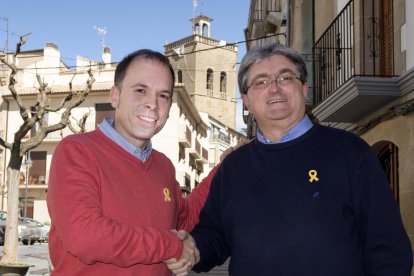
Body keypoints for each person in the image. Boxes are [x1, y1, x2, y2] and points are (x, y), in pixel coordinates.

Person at [168, 43, 413, 275]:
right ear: (246, 100)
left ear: (304, 88)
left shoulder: (350, 152)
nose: (274, 88)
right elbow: (215, 236)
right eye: (261, 81)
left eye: (286, 78)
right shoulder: (232, 167)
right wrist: (193, 249)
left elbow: (388, 247)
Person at [47, 49, 241, 275]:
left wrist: (222, 168)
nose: (153, 103)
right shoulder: (77, 151)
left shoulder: (163, 166)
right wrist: (172, 246)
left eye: (164, 96)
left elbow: (185, 217)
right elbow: (84, 235)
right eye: (141, 90)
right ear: (115, 96)